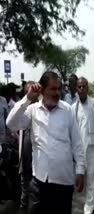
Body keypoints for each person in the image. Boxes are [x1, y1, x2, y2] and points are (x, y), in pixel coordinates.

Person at [6, 71, 85, 214]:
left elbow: (77, 143)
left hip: (63, 182)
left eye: (59, 88)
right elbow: (11, 123)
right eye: (53, 89)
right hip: (39, 183)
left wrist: (80, 170)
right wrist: (27, 98)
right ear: (42, 90)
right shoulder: (32, 110)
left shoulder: (67, 110)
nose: (57, 92)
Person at [72, 77, 94, 214]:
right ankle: (91, 205)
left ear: (87, 88)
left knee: (92, 178)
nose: (82, 89)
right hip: (79, 149)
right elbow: (71, 131)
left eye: (84, 86)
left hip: (92, 147)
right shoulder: (73, 108)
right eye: (79, 87)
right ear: (76, 89)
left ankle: (88, 208)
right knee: (82, 180)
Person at [18, 81, 35, 214]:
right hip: (24, 164)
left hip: (37, 167)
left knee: (35, 199)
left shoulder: (39, 112)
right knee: (24, 198)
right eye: (27, 93)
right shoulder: (21, 113)